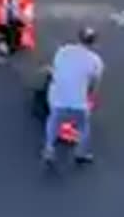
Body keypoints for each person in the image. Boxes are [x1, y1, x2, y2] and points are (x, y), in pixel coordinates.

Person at [42, 26, 103, 166]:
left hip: (57, 100)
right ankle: (80, 153)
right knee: (84, 127)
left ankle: (49, 149)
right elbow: (94, 85)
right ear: (93, 42)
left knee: (53, 122)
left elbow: (56, 70)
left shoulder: (63, 51)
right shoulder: (96, 61)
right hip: (78, 104)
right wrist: (90, 100)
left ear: (79, 37)